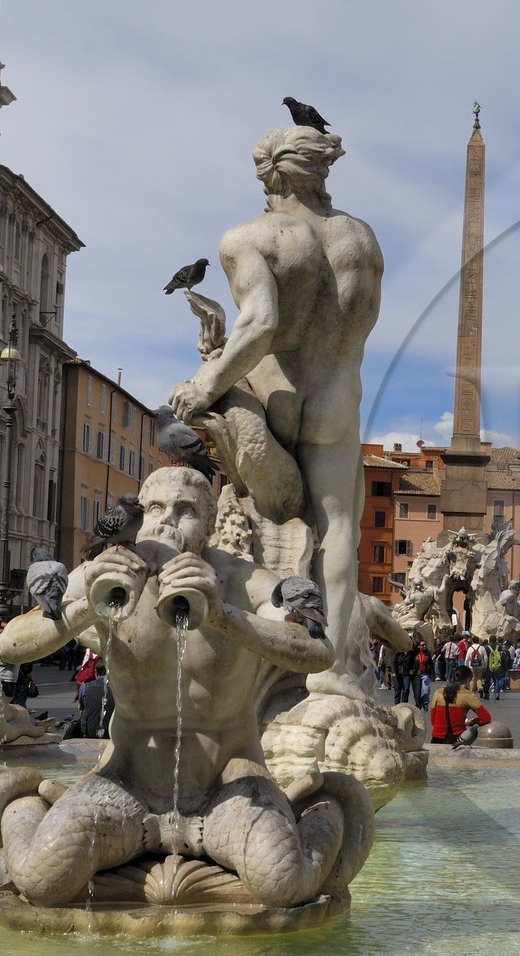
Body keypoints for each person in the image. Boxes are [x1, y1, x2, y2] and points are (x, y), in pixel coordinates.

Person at [0, 466, 344, 907]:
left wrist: (221, 615)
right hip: (127, 782)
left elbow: (318, 652)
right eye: (155, 508)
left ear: (210, 523)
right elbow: (9, 646)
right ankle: (24, 810)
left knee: (283, 884)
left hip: (227, 784)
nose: (166, 522)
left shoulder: (240, 579)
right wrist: (90, 607)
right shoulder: (107, 568)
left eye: (186, 511)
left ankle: (324, 812)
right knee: (43, 882)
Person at [168, 124, 383, 702]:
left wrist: (206, 381)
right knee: (339, 530)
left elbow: (260, 323)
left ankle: (242, 664)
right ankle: (333, 673)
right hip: (338, 392)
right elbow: (358, 325)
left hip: (273, 393)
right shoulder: (362, 242)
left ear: (271, 174)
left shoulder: (249, 237)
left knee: (255, 529)